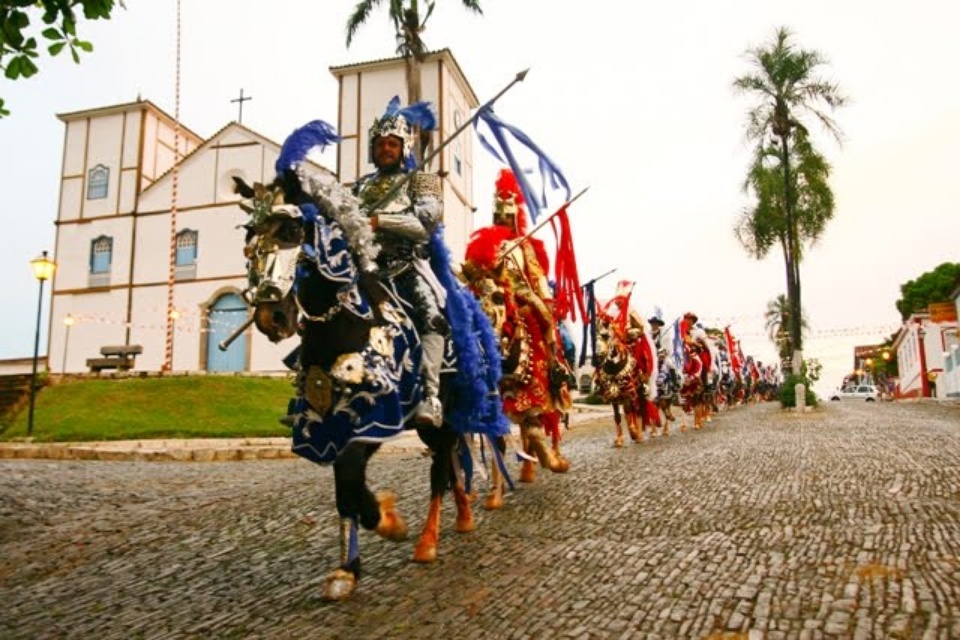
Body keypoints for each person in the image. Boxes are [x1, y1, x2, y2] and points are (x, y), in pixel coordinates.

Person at [462, 168, 572, 478]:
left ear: (516, 216)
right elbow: (475, 278)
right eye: (500, 214)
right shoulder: (483, 241)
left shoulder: (525, 247)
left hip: (522, 306)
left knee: (547, 326)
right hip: (492, 307)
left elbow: (536, 280)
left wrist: (539, 303)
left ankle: (555, 368)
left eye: (508, 215)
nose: (504, 220)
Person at [353, 96, 447, 427]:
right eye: (380, 144)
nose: (386, 149)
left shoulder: (422, 181)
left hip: (406, 267)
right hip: (365, 269)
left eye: (392, 144)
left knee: (431, 315)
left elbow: (425, 226)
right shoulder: (359, 188)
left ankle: (430, 396)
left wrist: (380, 221)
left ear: (403, 147)